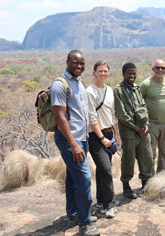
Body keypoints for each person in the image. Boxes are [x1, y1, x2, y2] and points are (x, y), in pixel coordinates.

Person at [51, 50, 100, 236]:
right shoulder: (59, 85)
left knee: (73, 178)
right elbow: (60, 117)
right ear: (67, 62)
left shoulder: (78, 82)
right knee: (84, 179)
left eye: (82, 63)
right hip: (69, 139)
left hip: (81, 138)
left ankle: (74, 214)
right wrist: (73, 143)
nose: (79, 66)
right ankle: (84, 224)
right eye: (75, 63)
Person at [114, 62, 154, 199]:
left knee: (147, 157)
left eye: (133, 73)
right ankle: (126, 186)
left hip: (143, 131)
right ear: (123, 74)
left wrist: (146, 125)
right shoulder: (118, 90)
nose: (132, 76)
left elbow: (144, 107)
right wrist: (137, 128)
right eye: (129, 73)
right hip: (129, 132)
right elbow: (122, 114)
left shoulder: (137, 88)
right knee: (128, 159)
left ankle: (146, 184)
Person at [87, 60, 119, 218]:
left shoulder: (110, 90)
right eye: (100, 71)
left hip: (109, 133)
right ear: (94, 72)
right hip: (95, 135)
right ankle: (110, 204)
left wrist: (115, 136)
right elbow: (92, 118)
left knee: (102, 169)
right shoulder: (89, 92)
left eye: (105, 71)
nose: (103, 74)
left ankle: (101, 200)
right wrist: (101, 138)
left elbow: (113, 115)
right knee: (106, 169)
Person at [140, 59, 165, 172]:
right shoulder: (146, 84)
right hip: (151, 124)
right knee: (150, 153)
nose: (160, 70)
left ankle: (162, 179)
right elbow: (140, 102)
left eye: (163, 68)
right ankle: (149, 179)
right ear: (153, 69)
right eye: (158, 67)